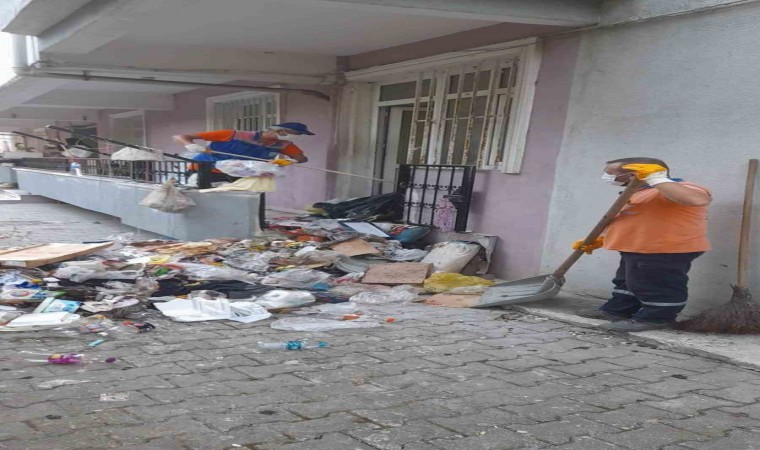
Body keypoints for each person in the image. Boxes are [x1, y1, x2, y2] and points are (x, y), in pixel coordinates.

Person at [576, 157, 712, 332]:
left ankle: (657, 318)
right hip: (636, 247)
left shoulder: (680, 187)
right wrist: (602, 239)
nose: (608, 177)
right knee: (628, 282)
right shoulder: (638, 192)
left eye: (612, 174)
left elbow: (696, 199)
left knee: (657, 284)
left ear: (635, 174)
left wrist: (656, 178)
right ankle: (619, 310)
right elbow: (633, 220)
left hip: (665, 249)